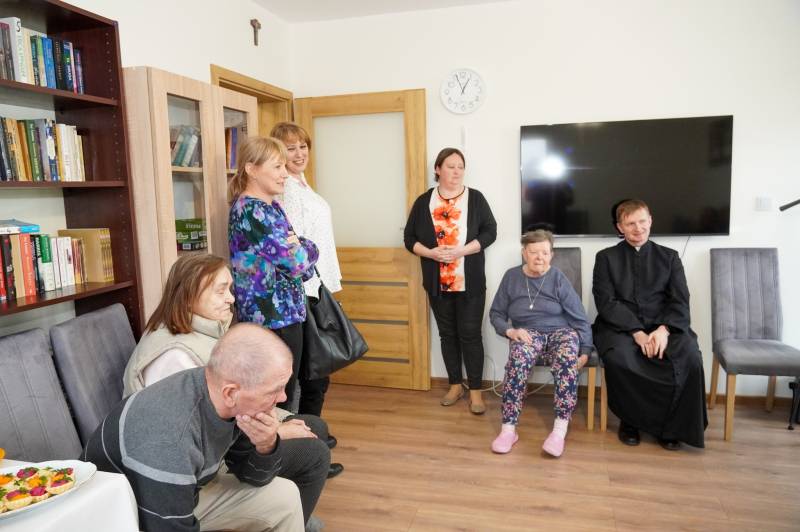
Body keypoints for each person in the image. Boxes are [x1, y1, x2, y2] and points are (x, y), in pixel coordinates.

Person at [120, 254, 336, 524]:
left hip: (218, 443)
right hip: (196, 468)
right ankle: (292, 520)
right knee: (314, 452)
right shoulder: (174, 356)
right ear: (188, 295)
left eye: (230, 289)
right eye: (221, 291)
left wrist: (274, 428)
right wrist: (275, 433)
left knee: (315, 428)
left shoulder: (202, 333)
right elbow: (187, 436)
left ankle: (293, 519)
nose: (231, 299)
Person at [84, 323, 320, 532]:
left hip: (182, 491)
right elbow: (168, 526)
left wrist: (266, 444)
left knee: (286, 496)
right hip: (126, 515)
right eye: (274, 390)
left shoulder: (224, 396)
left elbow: (251, 476)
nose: (283, 397)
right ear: (231, 393)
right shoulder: (169, 441)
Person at [592, 199, 707, 450]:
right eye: (630, 224)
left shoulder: (670, 257)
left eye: (642, 221)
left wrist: (663, 330)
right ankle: (630, 422)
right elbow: (606, 302)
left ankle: (671, 428)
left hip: (665, 325)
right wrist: (637, 332)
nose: (638, 228)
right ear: (620, 227)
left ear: (651, 220)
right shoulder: (606, 258)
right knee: (620, 358)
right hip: (620, 327)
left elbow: (680, 300)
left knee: (689, 357)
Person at [228, 136, 318, 415]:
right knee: (277, 398)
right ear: (251, 169)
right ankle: (275, 443)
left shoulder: (271, 207)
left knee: (287, 393)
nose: (285, 174)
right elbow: (297, 264)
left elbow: (301, 263)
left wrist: (301, 249)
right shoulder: (252, 210)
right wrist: (309, 248)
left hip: (286, 314)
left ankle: (287, 441)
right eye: (277, 167)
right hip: (270, 319)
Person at [403, 147, 497, 414]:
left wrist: (462, 251)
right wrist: (431, 253)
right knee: (447, 335)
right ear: (438, 169)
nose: (456, 172)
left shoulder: (475, 198)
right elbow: (409, 239)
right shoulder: (424, 201)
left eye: (460, 167)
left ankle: (476, 391)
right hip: (438, 283)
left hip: (470, 281)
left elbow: (491, 232)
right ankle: (455, 385)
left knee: (471, 335)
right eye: (450, 166)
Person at [488, 230, 592, 457]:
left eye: (545, 253)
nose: (540, 257)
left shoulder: (558, 278)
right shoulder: (511, 277)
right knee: (517, 360)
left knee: (567, 360)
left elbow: (579, 317)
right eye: (534, 252)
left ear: (551, 255)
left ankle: (559, 431)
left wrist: (585, 350)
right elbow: (496, 313)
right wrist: (510, 331)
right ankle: (508, 430)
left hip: (560, 331)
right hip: (527, 332)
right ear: (524, 253)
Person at [270, 121, 342, 419]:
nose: (300, 153)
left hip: (316, 287)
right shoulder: (286, 188)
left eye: (303, 146)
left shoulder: (300, 182)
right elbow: (294, 244)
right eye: (291, 148)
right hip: (304, 289)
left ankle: (310, 430)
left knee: (317, 370)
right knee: (313, 372)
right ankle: (307, 433)